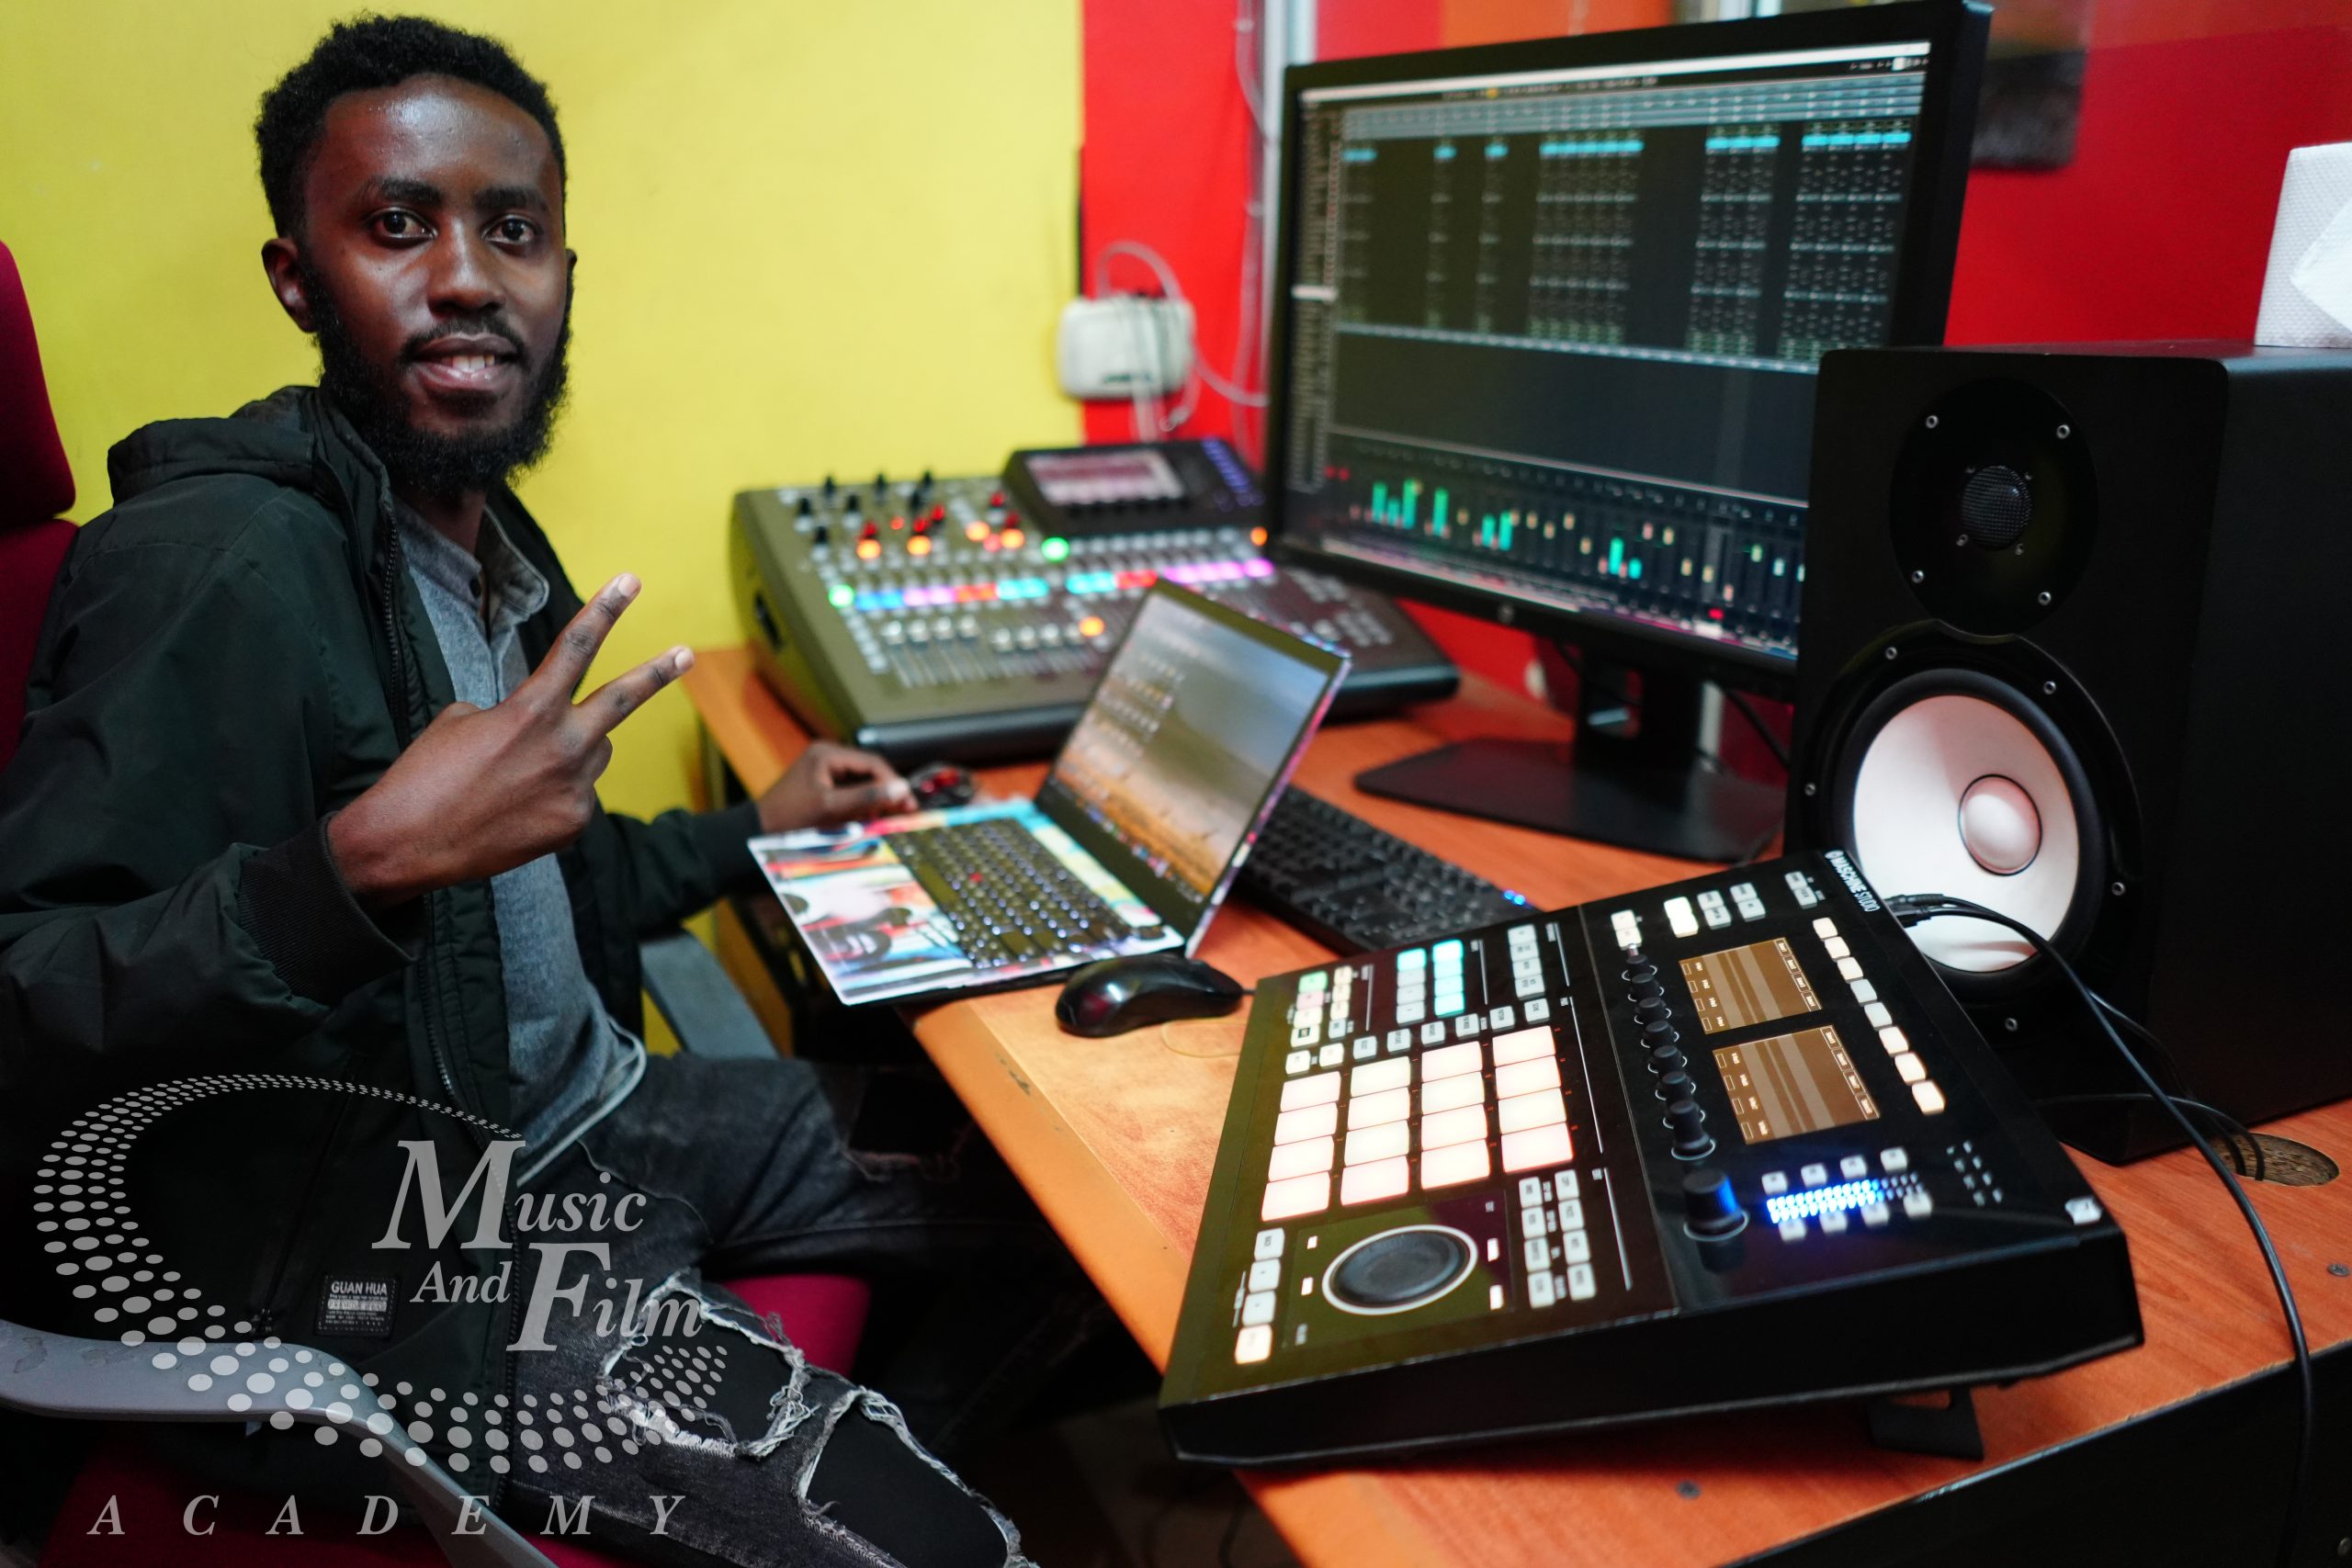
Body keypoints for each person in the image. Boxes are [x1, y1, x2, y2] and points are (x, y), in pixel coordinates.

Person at [0, 17, 1098, 1567]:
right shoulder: (212, 570)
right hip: (408, 1252)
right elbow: (25, 990)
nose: (465, 275)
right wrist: (356, 871)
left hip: (601, 1111)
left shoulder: (483, 543)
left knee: (1085, 1216)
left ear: (565, 275)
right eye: (397, 225)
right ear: (298, 278)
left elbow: (522, 901)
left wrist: (751, 832)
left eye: (512, 230)